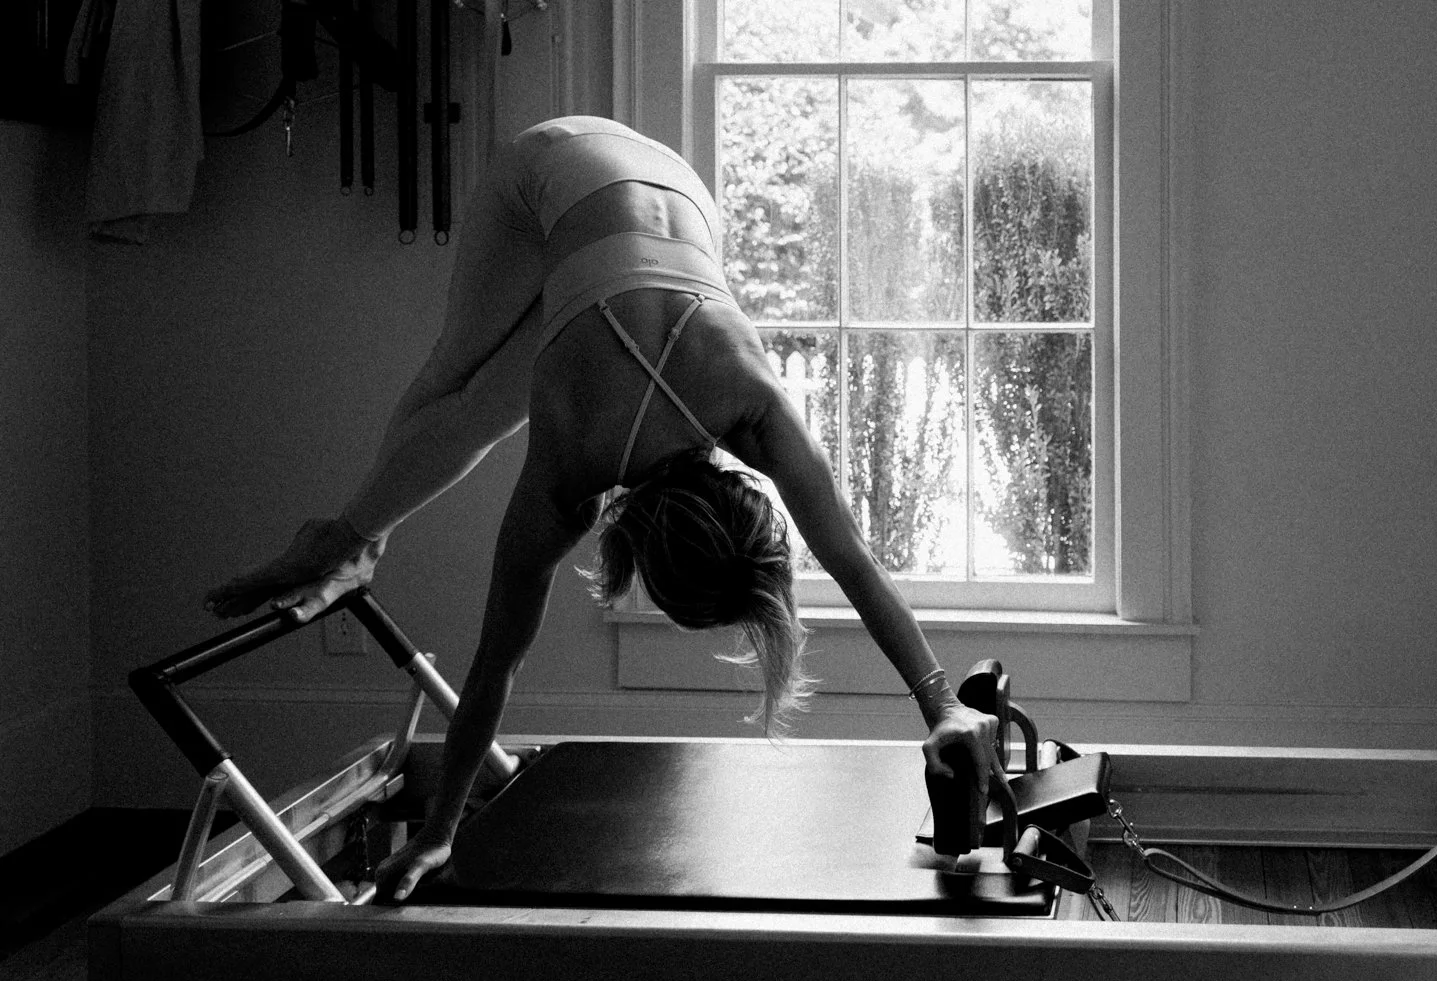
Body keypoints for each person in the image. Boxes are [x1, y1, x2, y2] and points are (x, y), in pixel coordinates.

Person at [204, 116, 1004, 901]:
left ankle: (352, 534)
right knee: (464, 390)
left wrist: (941, 707)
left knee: (501, 391)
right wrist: (439, 829)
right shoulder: (569, 473)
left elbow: (851, 560)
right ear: (640, 556)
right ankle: (346, 538)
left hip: (674, 186)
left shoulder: (750, 398)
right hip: (546, 171)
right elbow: (494, 665)